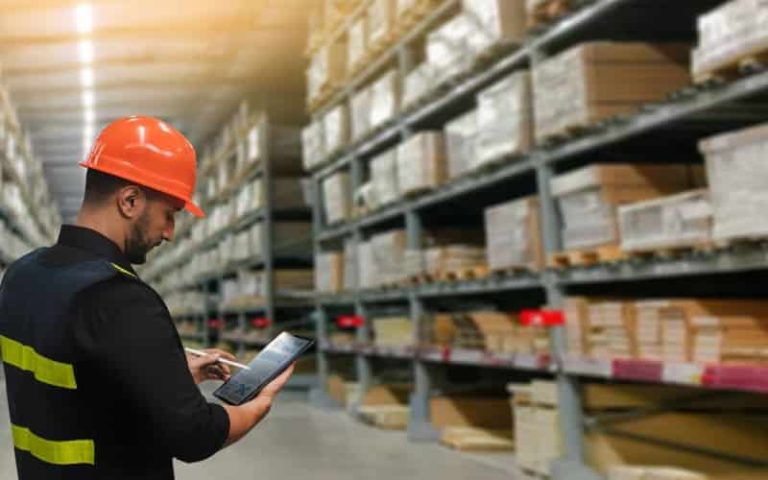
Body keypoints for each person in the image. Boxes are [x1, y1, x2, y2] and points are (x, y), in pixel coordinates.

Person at [0, 116, 294, 479]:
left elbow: (77, 381)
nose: (170, 233)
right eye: (169, 214)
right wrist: (259, 403)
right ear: (130, 200)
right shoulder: (119, 297)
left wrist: (167, 374)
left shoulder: (21, 275)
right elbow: (193, 435)